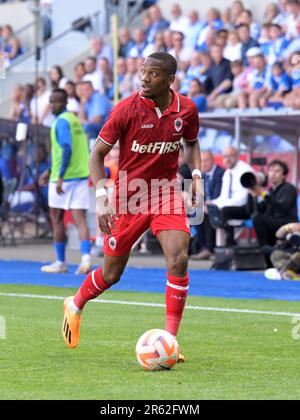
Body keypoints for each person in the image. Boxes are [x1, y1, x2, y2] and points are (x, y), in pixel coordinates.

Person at [61, 53, 203, 362]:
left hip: (166, 192)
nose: (144, 78)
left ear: (170, 80)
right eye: (142, 72)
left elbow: (191, 143)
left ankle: (169, 342)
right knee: (112, 274)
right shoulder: (125, 109)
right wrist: (101, 199)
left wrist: (196, 176)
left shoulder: (188, 109)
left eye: (153, 74)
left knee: (178, 259)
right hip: (129, 197)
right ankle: (75, 304)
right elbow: (97, 155)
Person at [40, 89, 92, 275]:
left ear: (64, 102)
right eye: (51, 101)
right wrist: (49, 171)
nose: (52, 105)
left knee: (57, 219)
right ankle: (86, 258)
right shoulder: (74, 120)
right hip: (80, 175)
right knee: (80, 219)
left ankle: (61, 262)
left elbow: (66, 149)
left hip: (63, 179)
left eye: (55, 101)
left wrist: (59, 175)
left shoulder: (61, 122)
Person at [207, 146, 253, 247]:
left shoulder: (245, 170)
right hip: (231, 206)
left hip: (246, 208)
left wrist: (220, 205)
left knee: (224, 210)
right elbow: (224, 197)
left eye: (230, 156)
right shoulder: (227, 172)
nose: (227, 159)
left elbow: (242, 199)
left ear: (237, 156)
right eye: (224, 156)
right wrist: (213, 203)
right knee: (208, 209)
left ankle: (229, 243)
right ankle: (214, 247)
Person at [250, 160, 298, 247]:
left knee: (257, 217)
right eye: (271, 170)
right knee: (256, 216)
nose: (273, 173)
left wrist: (263, 194)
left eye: (277, 171)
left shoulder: (289, 188)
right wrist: (253, 195)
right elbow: (258, 210)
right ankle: (266, 248)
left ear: (284, 175)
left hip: (286, 224)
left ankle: (265, 248)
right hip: (274, 223)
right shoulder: (271, 191)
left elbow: (283, 208)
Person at [191, 151, 224, 260]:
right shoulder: (202, 175)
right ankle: (204, 247)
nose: (203, 164)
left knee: (204, 213)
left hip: (219, 205)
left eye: (206, 160)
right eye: (201, 161)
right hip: (206, 206)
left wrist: (207, 205)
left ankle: (210, 248)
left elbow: (218, 194)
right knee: (195, 212)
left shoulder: (221, 173)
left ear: (213, 160)